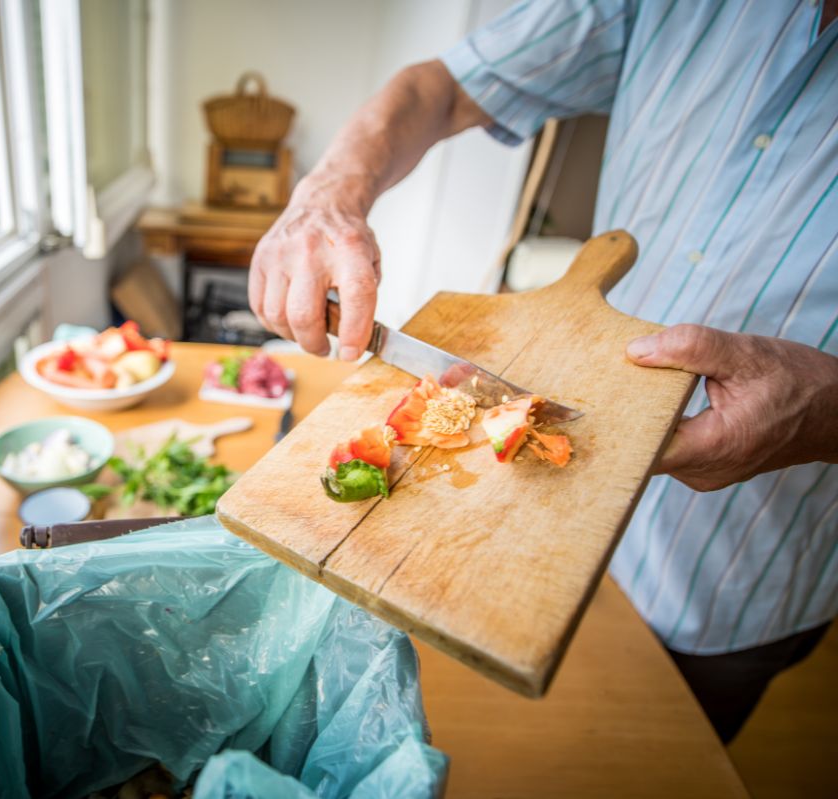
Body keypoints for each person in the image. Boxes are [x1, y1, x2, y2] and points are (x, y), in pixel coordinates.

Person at [249, 0, 838, 744]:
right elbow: (440, 86)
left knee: (639, 763)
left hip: (728, 572)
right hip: (520, 546)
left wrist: (826, 409)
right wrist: (325, 190)